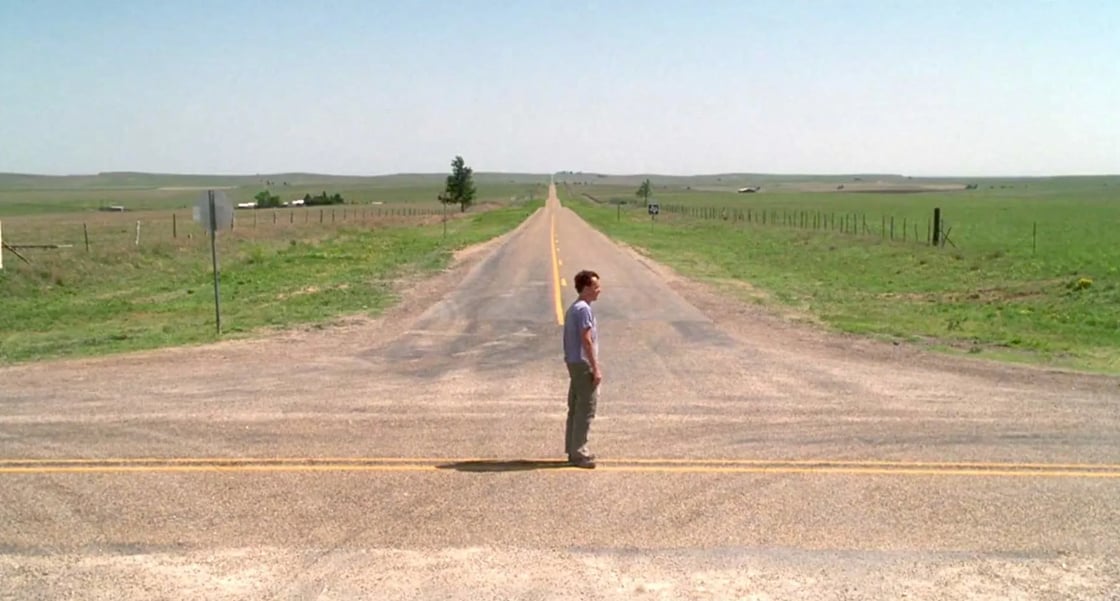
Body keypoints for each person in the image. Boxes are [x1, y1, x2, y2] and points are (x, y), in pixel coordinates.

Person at [562, 269, 602, 468]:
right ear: (586, 288)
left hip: (574, 362)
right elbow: (586, 340)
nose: (599, 290)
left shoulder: (574, 308)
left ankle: (572, 449)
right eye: (595, 287)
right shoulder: (584, 309)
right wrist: (595, 368)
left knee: (575, 408)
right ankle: (579, 453)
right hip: (583, 363)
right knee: (586, 408)